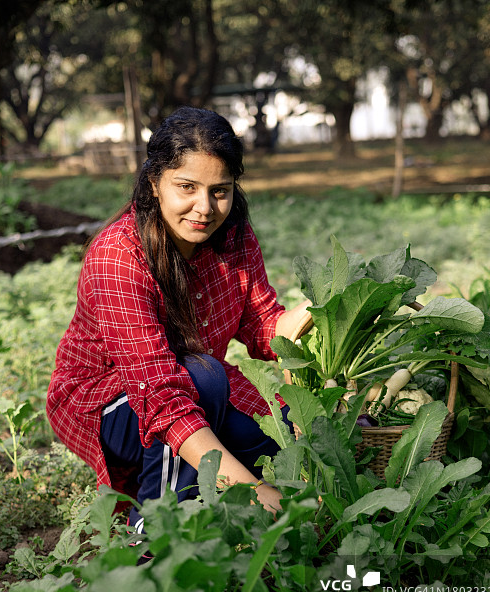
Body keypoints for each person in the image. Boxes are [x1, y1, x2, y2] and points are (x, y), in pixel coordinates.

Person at [46, 106, 311, 550]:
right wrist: (256, 492)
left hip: (201, 385)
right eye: (186, 187)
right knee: (200, 379)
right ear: (155, 183)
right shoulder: (119, 256)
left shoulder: (233, 236)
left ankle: (208, 500)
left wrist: (322, 315)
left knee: (279, 439)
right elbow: (162, 396)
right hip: (107, 401)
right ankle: (155, 529)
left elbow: (264, 325)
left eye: (220, 191)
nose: (204, 208)